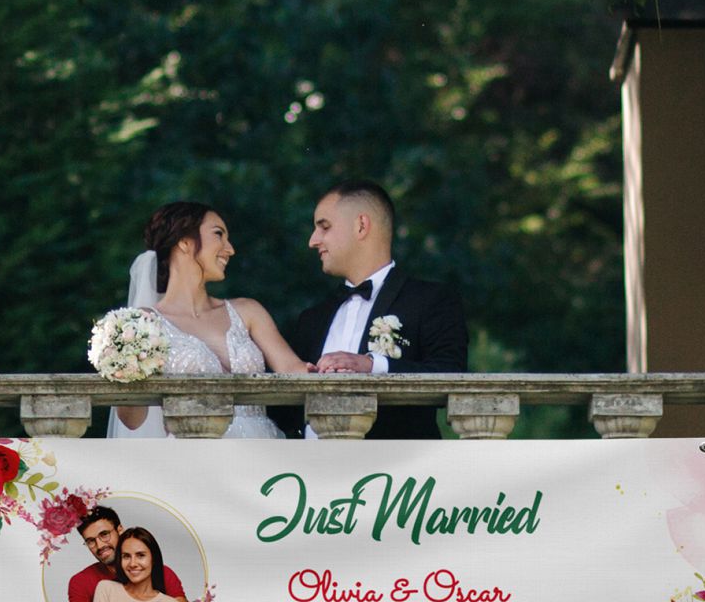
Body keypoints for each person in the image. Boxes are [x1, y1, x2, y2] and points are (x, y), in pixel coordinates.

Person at [109, 201, 313, 439]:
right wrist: (124, 364)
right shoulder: (142, 325)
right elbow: (132, 421)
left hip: (261, 452)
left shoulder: (248, 311)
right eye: (218, 234)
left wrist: (333, 367)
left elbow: (292, 369)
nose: (230, 249)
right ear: (184, 242)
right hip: (194, 458)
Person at [283, 180, 468, 439]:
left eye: (324, 227)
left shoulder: (431, 300)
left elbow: (452, 375)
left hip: (395, 473)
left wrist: (373, 365)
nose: (313, 241)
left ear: (361, 226)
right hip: (311, 472)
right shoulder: (312, 318)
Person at [67, 506, 186, 602]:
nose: (100, 545)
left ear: (120, 530)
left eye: (104, 534)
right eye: (90, 541)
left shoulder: (162, 573)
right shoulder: (82, 581)